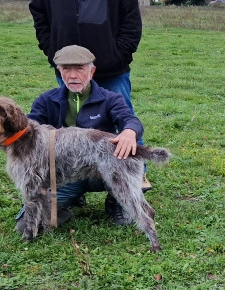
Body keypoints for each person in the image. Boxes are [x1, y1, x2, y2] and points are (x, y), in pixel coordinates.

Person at [28, 0, 149, 188]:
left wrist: (118, 55)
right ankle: (72, 181)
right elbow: (39, 14)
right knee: (69, 125)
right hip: (68, 68)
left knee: (124, 121)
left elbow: (132, 20)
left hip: (111, 70)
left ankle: (134, 177)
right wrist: (52, 51)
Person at [26, 45, 143, 226]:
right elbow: (28, 129)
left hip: (102, 168)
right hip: (65, 172)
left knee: (121, 174)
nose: (73, 76)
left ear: (92, 71)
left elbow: (129, 119)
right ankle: (71, 197)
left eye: (80, 69)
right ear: (59, 71)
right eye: (66, 69)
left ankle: (116, 201)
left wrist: (130, 131)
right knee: (33, 222)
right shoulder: (46, 100)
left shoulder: (110, 98)